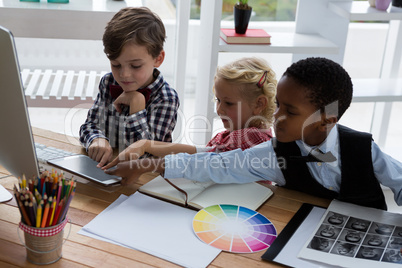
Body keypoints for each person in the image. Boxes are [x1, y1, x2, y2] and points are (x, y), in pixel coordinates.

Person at [105, 57, 402, 210]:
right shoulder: (275, 153)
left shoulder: (362, 149)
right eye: (278, 106)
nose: (277, 117)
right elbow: (219, 164)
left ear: (326, 121)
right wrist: (151, 163)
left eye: (291, 111)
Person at [102, 57, 277, 169]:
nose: (219, 109)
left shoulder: (254, 139)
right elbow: (202, 153)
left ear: (259, 104)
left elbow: (203, 160)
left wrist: (147, 149)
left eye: (228, 103)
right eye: (218, 100)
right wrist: (146, 145)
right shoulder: (237, 134)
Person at [79, 7, 179, 167]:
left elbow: (146, 155)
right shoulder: (108, 82)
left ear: (158, 59)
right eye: (116, 64)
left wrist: (137, 107)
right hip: (106, 169)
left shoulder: (166, 98)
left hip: (144, 180)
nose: (124, 74)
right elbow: (90, 125)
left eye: (135, 65)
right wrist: (97, 139)